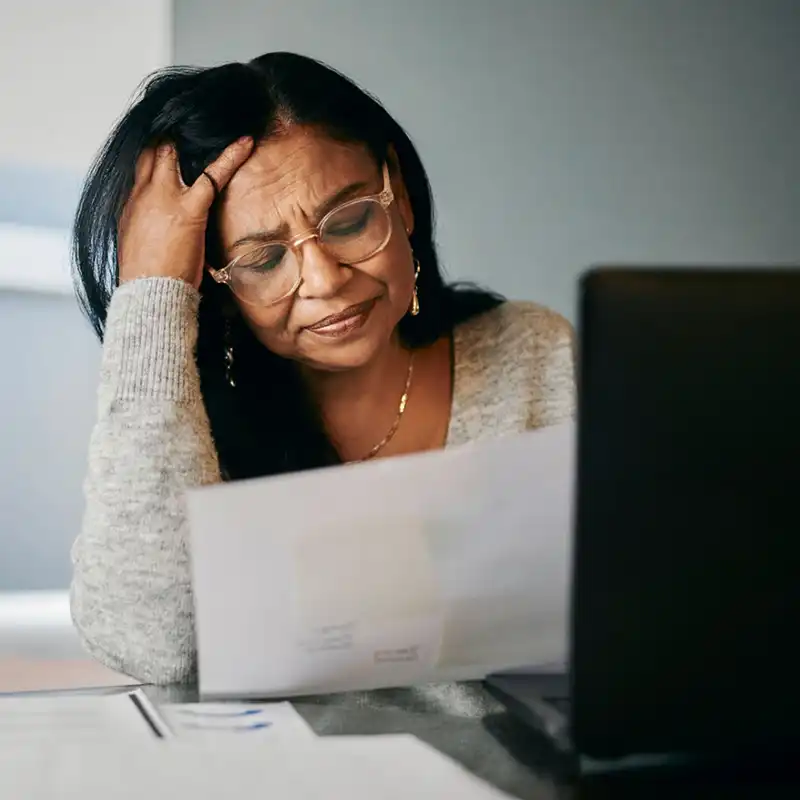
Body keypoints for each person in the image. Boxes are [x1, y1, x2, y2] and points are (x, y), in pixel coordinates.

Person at [70, 52, 575, 717]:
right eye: (264, 259)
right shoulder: (186, 429)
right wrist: (151, 295)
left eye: (349, 222)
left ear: (398, 193)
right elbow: (152, 643)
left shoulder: (536, 356)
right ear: (213, 283)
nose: (327, 280)